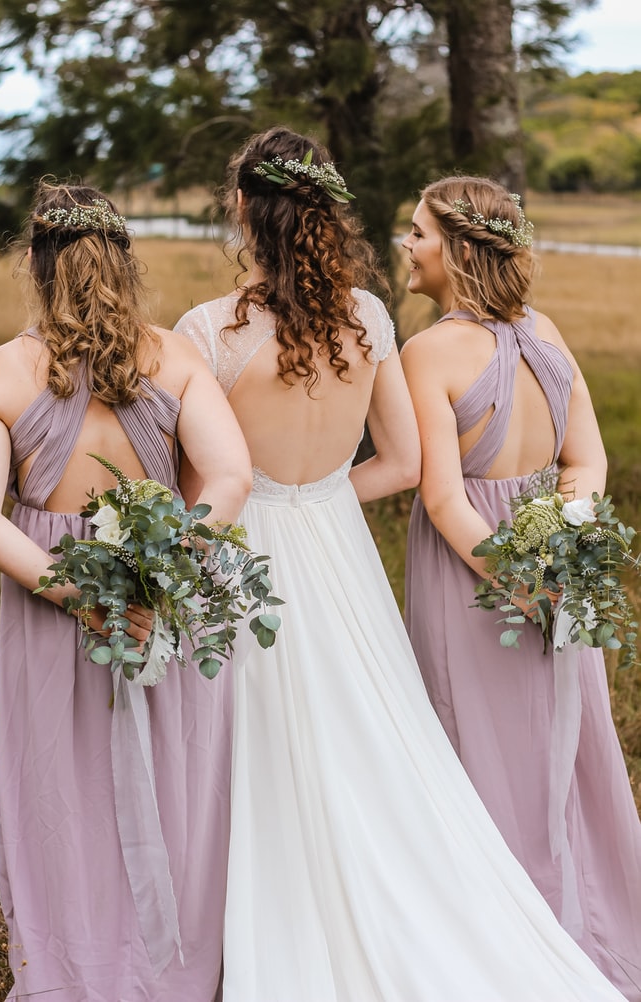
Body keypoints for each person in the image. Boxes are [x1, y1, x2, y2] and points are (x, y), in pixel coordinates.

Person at [175, 125, 630, 1002]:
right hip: (335, 543)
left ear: (244, 210)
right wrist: (324, 495)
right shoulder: (372, 318)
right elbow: (407, 464)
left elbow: (211, 475)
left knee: (252, 724)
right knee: (373, 720)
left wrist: (270, 497)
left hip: (250, 545)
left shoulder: (207, 331)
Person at [0, 181, 252, 1001]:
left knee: (61, 782)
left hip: (53, 602)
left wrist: (80, 594)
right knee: (179, 774)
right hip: (162, 603)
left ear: (34, 262)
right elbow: (232, 476)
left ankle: (77, 960)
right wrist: (164, 569)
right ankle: (178, 961)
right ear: (125, 264)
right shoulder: (177, 357)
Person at [400, 174, 641, 1001]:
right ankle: (585, 918)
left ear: (458, 250)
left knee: (473, 747)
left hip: (473, 575)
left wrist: (516, 576)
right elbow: (589, 462)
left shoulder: (425, 351)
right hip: (550, 567)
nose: (407, 244)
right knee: (560, 749)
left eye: (418, 231)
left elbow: (440, 497)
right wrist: (559, 554)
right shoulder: (547, 332)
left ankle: (504, 937)